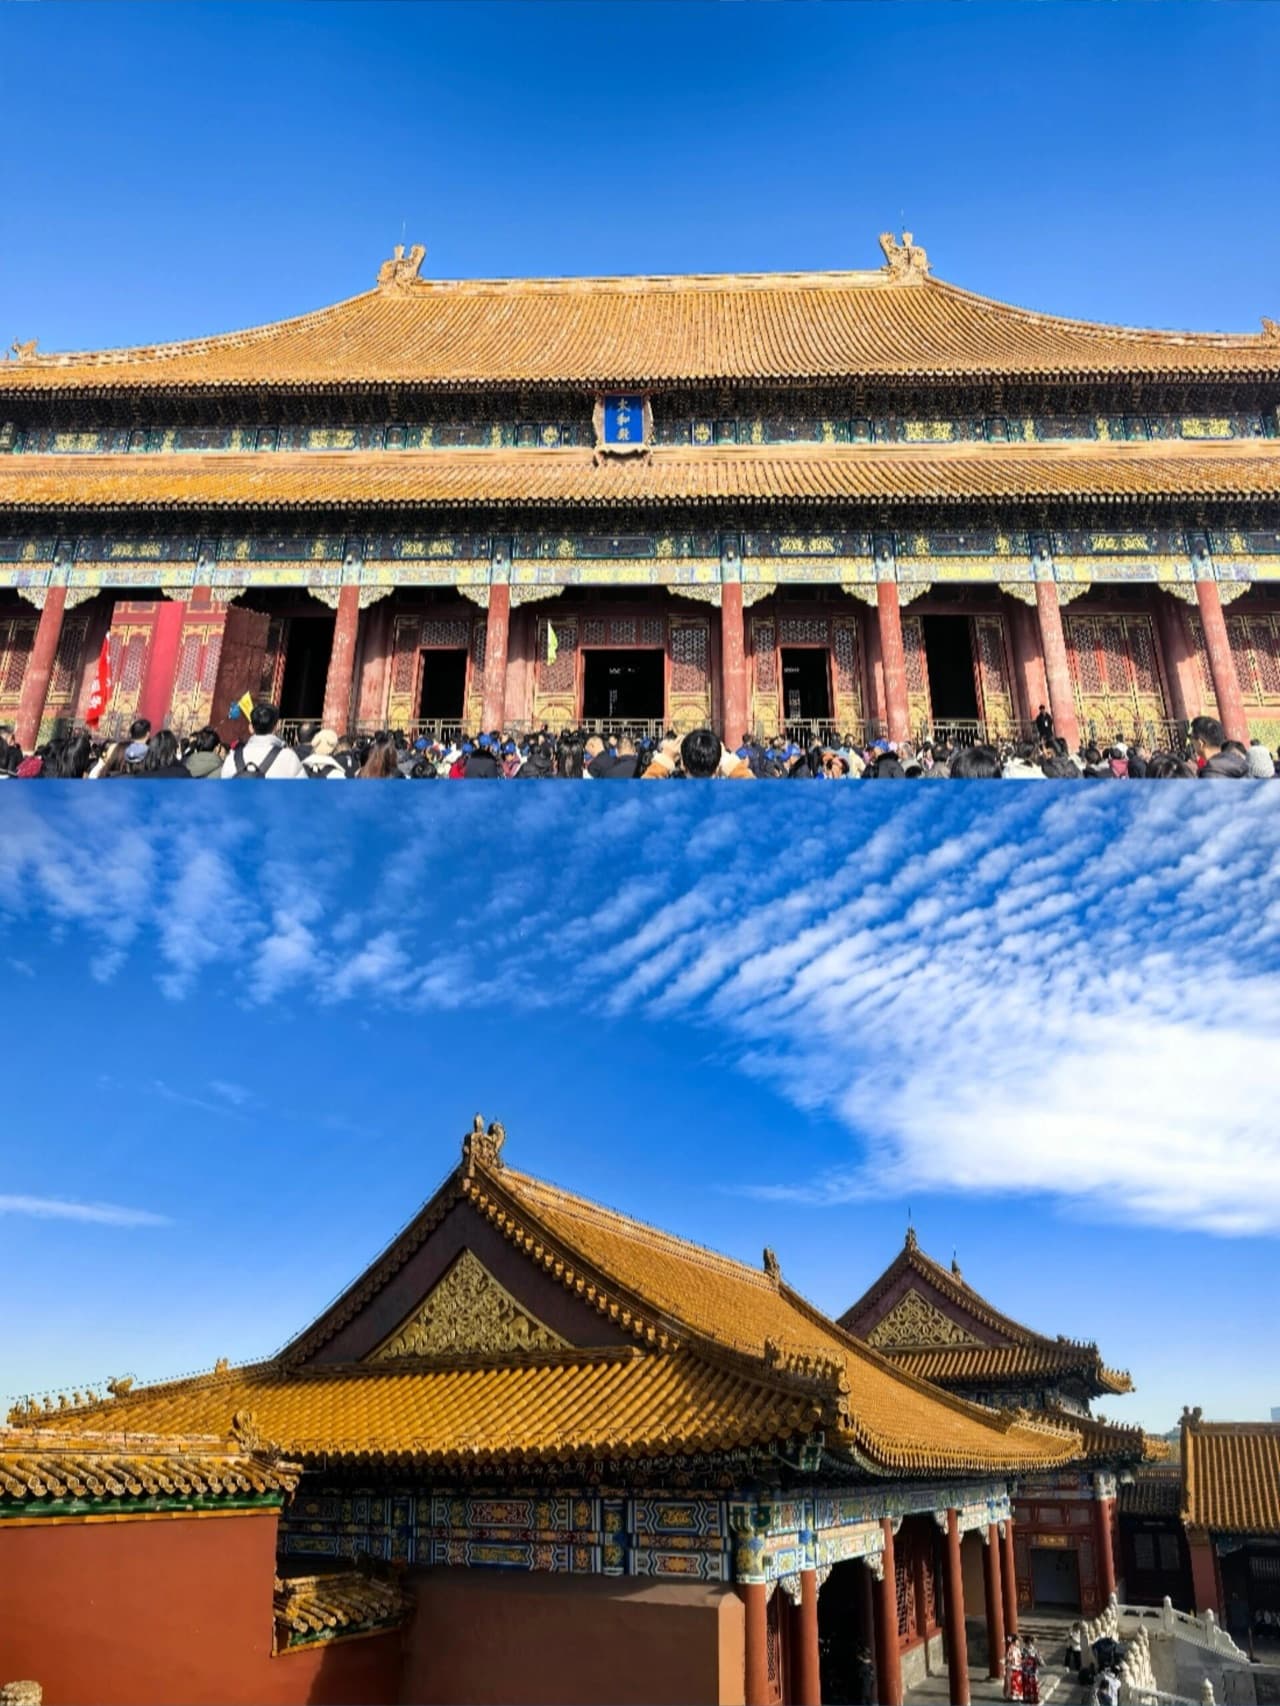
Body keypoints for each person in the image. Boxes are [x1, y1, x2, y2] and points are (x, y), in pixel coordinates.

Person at [220, 701, 305, 778]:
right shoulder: (289, 758)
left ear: (251, 728)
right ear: (277, 727)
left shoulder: (232, 757)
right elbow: (303, 792)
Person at [1021, 1637, 1042, 1705]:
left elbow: (1039, 1658)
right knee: (1027, 1684)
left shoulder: (1035, 1650)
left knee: (1034, 1684)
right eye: (1028, 1643)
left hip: (1033, 1669)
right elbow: (1021, 1659)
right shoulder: (1023, 1650)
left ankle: (1035, 1698)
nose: (1030, 1644)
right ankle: (1027, 1698)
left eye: (1031, 1643)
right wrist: (1026, 1658)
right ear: (1026, 1643)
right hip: (1026, 1669)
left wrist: (1040, 1662)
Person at [1004, 1635, 1024, 1701]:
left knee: (1018, 1680)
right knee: (1011, 1681)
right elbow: (1008, 1657)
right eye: (1017, 1641)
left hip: (1017, 1666)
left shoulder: (1017, 1648)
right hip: (1012, 1666)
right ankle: (1011, 1695)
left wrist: (1020, 1660)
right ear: (1014, 1641)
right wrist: (1013, 1660)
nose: (1018, 1642)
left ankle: (1018, 1694)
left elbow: (1019, 1656)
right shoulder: (1010, 1648)